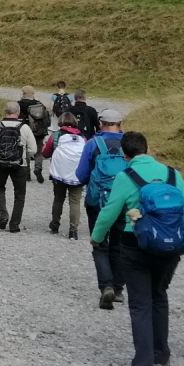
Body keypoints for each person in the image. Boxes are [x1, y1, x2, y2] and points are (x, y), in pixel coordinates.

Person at [91, 132, 184, 366]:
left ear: (125, 154)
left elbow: (110, 211)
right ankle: (160, 355)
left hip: (136, 245)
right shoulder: (173, 174)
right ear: (147, 148)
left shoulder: (125, 176)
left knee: (140, 304)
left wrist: (97, 237)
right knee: (159, 296)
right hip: (170, 246)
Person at [76, 109, 130, 309]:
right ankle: (118, 289)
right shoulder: (129, 144)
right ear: (120, 123)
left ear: (101, 123)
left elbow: (81, 174)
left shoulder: (93, 144)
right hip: (124, 202)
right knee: (120, 245)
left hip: (97, 201)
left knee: (99, 244)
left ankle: (106, 286)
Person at [0, 101, 36, 233]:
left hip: (0, 163)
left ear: (4, 112)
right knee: (20, 194)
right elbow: (33, 149)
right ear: (18, 112)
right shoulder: (24, 128)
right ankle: (14, 224)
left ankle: (3, 215)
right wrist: (25, 156)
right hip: (20, 165)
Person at [43, 112, 87, 238]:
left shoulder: (56, 135)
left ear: (60, 122)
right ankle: (73, 230)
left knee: (58, 199)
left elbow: (46, 153)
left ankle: (55, 224)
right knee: (75, 201)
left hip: (59, 173)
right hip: (77, 174)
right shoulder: (83, 137)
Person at [18, 86, 52, 173]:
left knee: (26, 151)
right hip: (39, 132)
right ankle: (38, 168)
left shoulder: (19, 104)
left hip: (24, 131)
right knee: (39, 151)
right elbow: (46, 120)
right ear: (33, 93)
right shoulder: (39, 104)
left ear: (23, 93)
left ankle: (27, 172)